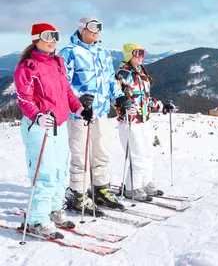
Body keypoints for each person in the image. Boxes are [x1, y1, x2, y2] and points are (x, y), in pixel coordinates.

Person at [14, 23, 94, 239]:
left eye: (56, 36)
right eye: (48, 36)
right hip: (39, 126)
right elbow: (23, 99)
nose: (53, 40)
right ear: (35, 38)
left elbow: (66, 91)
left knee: (59, 170)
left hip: (59, 124)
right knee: (44, 173)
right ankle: (37, 219)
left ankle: (54, 208)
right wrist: (38, 116)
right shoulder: (28, 67)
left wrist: (79, 108)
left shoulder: (58, 62)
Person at [59, 17, 136, 214]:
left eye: (100, 28)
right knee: (80, 156)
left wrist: (120, 98)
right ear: (82, 29)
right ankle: (77, 193)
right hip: (80, 114)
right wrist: (79, 99)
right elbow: (62, 83)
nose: (96, 31)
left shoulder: (103, 52)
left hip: (101, 111)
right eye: (92, 27)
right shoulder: (69, 53)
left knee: (102, 151)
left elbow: (110, 80)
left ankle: (100, 189)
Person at [115, 43, 164, 200]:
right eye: (138, 53)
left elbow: (145, 98)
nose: (142, 56)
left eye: (143, 53)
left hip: (144, 119)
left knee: (148, 153)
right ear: (129, 55)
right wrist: (122, 106)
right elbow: (114, 95)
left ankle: (145, 182)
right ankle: (132, 187)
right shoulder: (122, 74)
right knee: (137, 155)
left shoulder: (142, 72)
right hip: (130, 121)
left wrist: (160, 105)